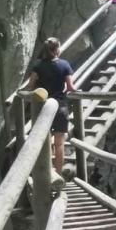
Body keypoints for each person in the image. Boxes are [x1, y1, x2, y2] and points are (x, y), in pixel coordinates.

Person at [27, 38, 75, 174]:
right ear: (57, 50)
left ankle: (48, 173)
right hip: (60, 106)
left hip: (43, 107)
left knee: (45, 141)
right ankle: (58, 173)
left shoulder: (38, 66)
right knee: (59, 143)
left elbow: (31, 86)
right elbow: (70, 87)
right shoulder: (64, 64)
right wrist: (69, 91)